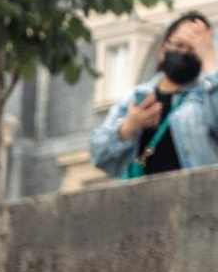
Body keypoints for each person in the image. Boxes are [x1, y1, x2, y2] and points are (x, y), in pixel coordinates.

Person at [93, 12, 218, 179]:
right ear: (163, 48)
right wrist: (129, 127)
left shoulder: (207, 96)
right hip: (143, 200)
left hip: (197, 200)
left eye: (193, 49)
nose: (185, 53)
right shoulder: (135, 97)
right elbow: (98, 155)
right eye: (179, 45)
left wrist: (211, 61)